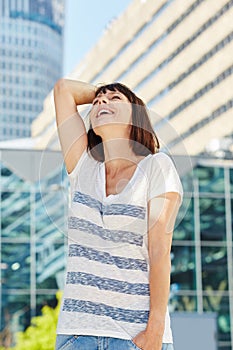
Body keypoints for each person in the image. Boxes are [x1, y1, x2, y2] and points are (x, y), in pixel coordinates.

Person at [53, 79, 183, 350]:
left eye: (114, 100)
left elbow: (160, 252)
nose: (102, 102)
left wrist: (154, 332)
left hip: (135, 336)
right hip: (77, 334)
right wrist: (104, 95)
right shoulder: (83, 167)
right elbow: (63, 90)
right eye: (98, 102)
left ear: (136, 116)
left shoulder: (157, 166)